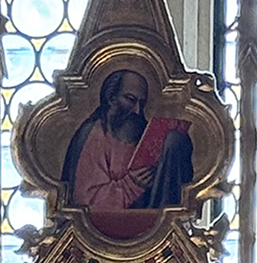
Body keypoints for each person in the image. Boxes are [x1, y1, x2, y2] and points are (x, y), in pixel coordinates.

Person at [61, 68, 195, 239]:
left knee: (175, 140)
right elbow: (86, 202)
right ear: (111, 98)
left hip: (152, 227)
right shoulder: (93, 135)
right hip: (103, 233)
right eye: (130, 99)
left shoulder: (143, 131)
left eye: (142, 102)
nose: (137, 110)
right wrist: (131, 184)